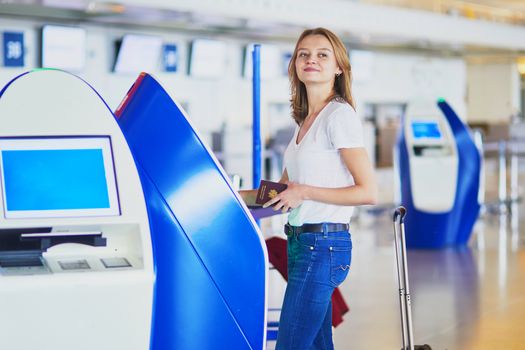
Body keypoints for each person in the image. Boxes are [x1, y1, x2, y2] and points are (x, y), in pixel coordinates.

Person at [241, 27, 377, 350]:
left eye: (322, 55)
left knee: (290, 345)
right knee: (316, 346)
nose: (311, 60)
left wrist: (305, 192)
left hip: (324, 245)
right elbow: (281, 191)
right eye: (304, 54)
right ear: (295, 66)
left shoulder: (338, 116)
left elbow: (367, 191)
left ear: (338, 67)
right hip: (302, 244)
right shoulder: (306, 121)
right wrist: (233, 194)